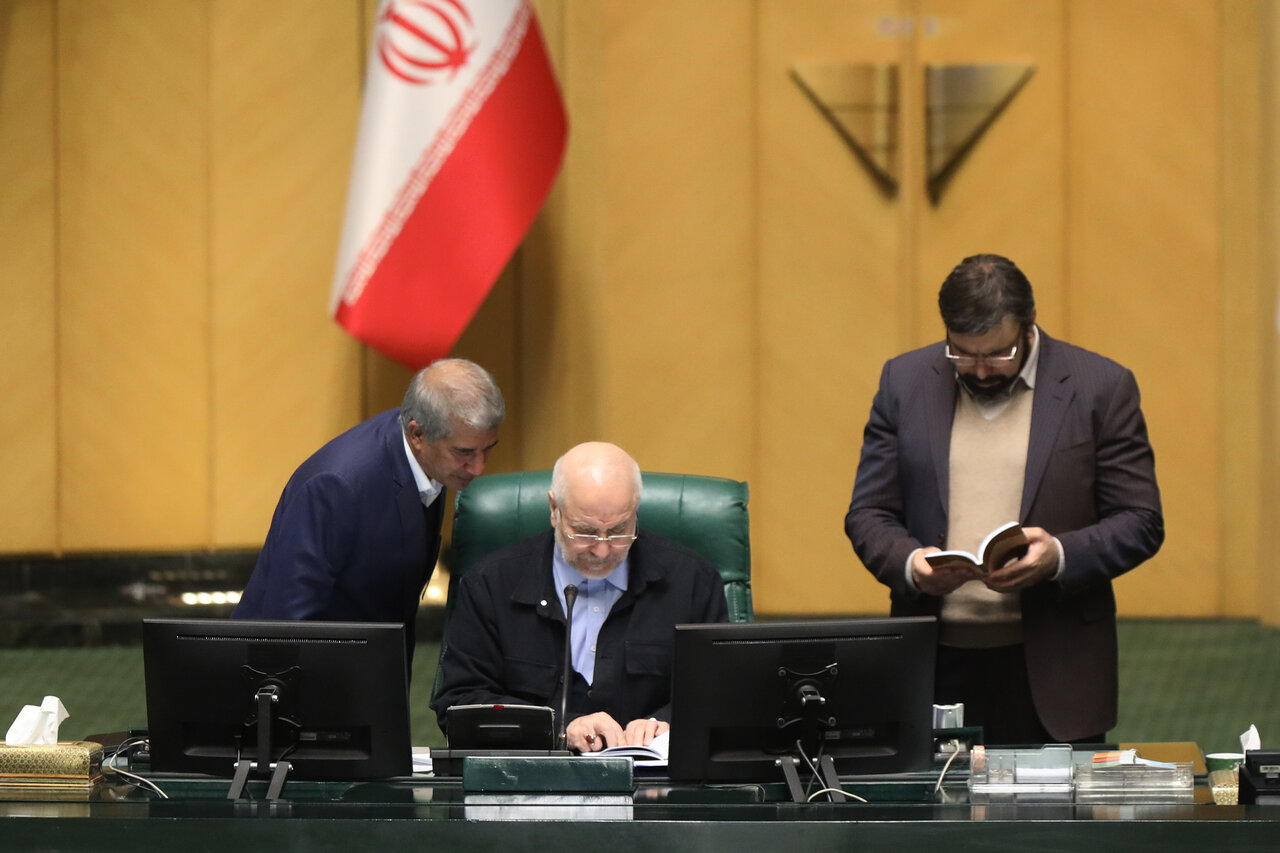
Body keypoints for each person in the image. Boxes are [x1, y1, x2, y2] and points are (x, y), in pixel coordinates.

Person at [844, 254, 1163, 744]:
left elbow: (1140, 520)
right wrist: (911, 564)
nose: (979, 370)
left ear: (1029, 324)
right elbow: (869, 512)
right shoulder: (904, 382)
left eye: (996, 355)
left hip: (1057, 664)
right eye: (962, 354)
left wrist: (1058, 556)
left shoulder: (1100, 387)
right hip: (933, 662)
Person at [431, 441, 728, 752]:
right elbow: (458, 705)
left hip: (650, 778)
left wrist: (666, 723)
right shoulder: (491, 584)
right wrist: (560, 728)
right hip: (532, 775)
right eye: (585, 531)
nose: (602, 550)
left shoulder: (693, 582)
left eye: (619, 530)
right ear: (554, 510)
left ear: (635, 509)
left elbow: (719, 695)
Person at [233, 358, 504, 666]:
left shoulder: (430, 448)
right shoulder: (336, 486)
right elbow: (288, 624)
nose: (478, 468)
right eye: (465, 453)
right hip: (291, 672)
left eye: (488, 449)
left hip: (370, 661)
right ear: (417, 435)